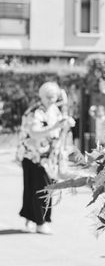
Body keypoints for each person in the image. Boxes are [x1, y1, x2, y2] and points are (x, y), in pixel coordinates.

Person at [17, 81, 75, 234]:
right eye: (48, 96)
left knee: (42, 188)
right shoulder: (35, 112)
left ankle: (32, 219)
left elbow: (62, 127)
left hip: (50, 157)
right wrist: (56, 126)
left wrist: (67, 124)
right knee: (39, 189)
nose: (51, 99)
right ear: (41, 96)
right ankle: (40, 222)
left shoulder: (55, 110)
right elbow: (34, 132)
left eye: (54, 96)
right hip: (34, 156)